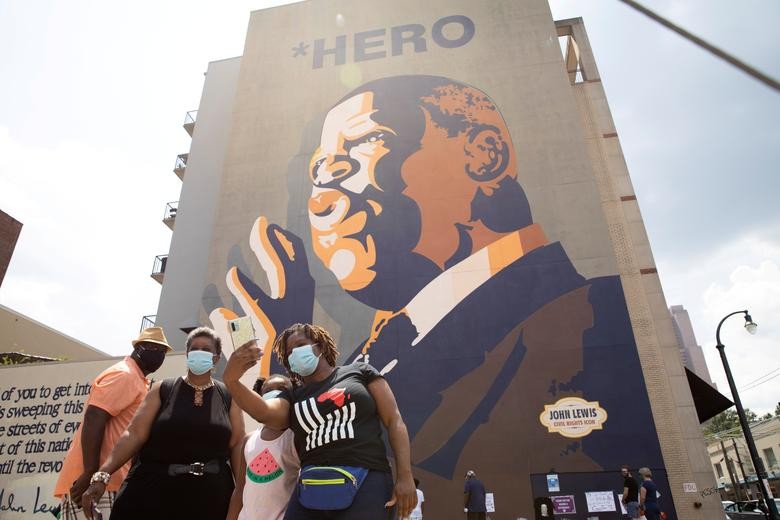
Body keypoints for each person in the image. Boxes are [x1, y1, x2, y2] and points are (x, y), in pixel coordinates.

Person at [209, 75, 667, 516]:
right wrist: (281, 370)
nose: (323, 195)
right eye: (319, 170)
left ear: (484, 155)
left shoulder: (595, 317)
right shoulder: (374, 352)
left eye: (362, 146)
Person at [223, 322, 417, 519]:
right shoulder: (293, 396)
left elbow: (394, 421)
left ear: (320, 346)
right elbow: (264, 412)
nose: (295, 353)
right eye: (289, 352)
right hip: (311, 486)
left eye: (300, 345)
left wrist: (405, 475)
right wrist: (232, 380)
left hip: (366, 477)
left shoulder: (359, 372)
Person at [79, 327, 245, 519]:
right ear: (187, 354)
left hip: (210, 499)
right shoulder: (163, 389)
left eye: (206, 350)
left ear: (216, 358)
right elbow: (134, 434)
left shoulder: (228, 396)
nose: (199, 353)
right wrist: (102, 475)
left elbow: (237, 445)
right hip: (150, 493)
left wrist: (244, 493)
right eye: (194, 349)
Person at [53, 326, 172, 520]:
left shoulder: (138, 380)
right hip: (95, 485)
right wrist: (91, 472)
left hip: (109, 483)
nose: (159, 355)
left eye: (163, 352)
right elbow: (94, 417)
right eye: (153, 348)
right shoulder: (125, 374)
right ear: (139, 348)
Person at [228, 374, 299, 520]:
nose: (275, 392)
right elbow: (240, 490)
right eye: (268, 390)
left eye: (282, 389)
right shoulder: (249, 439)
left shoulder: (295, 437)